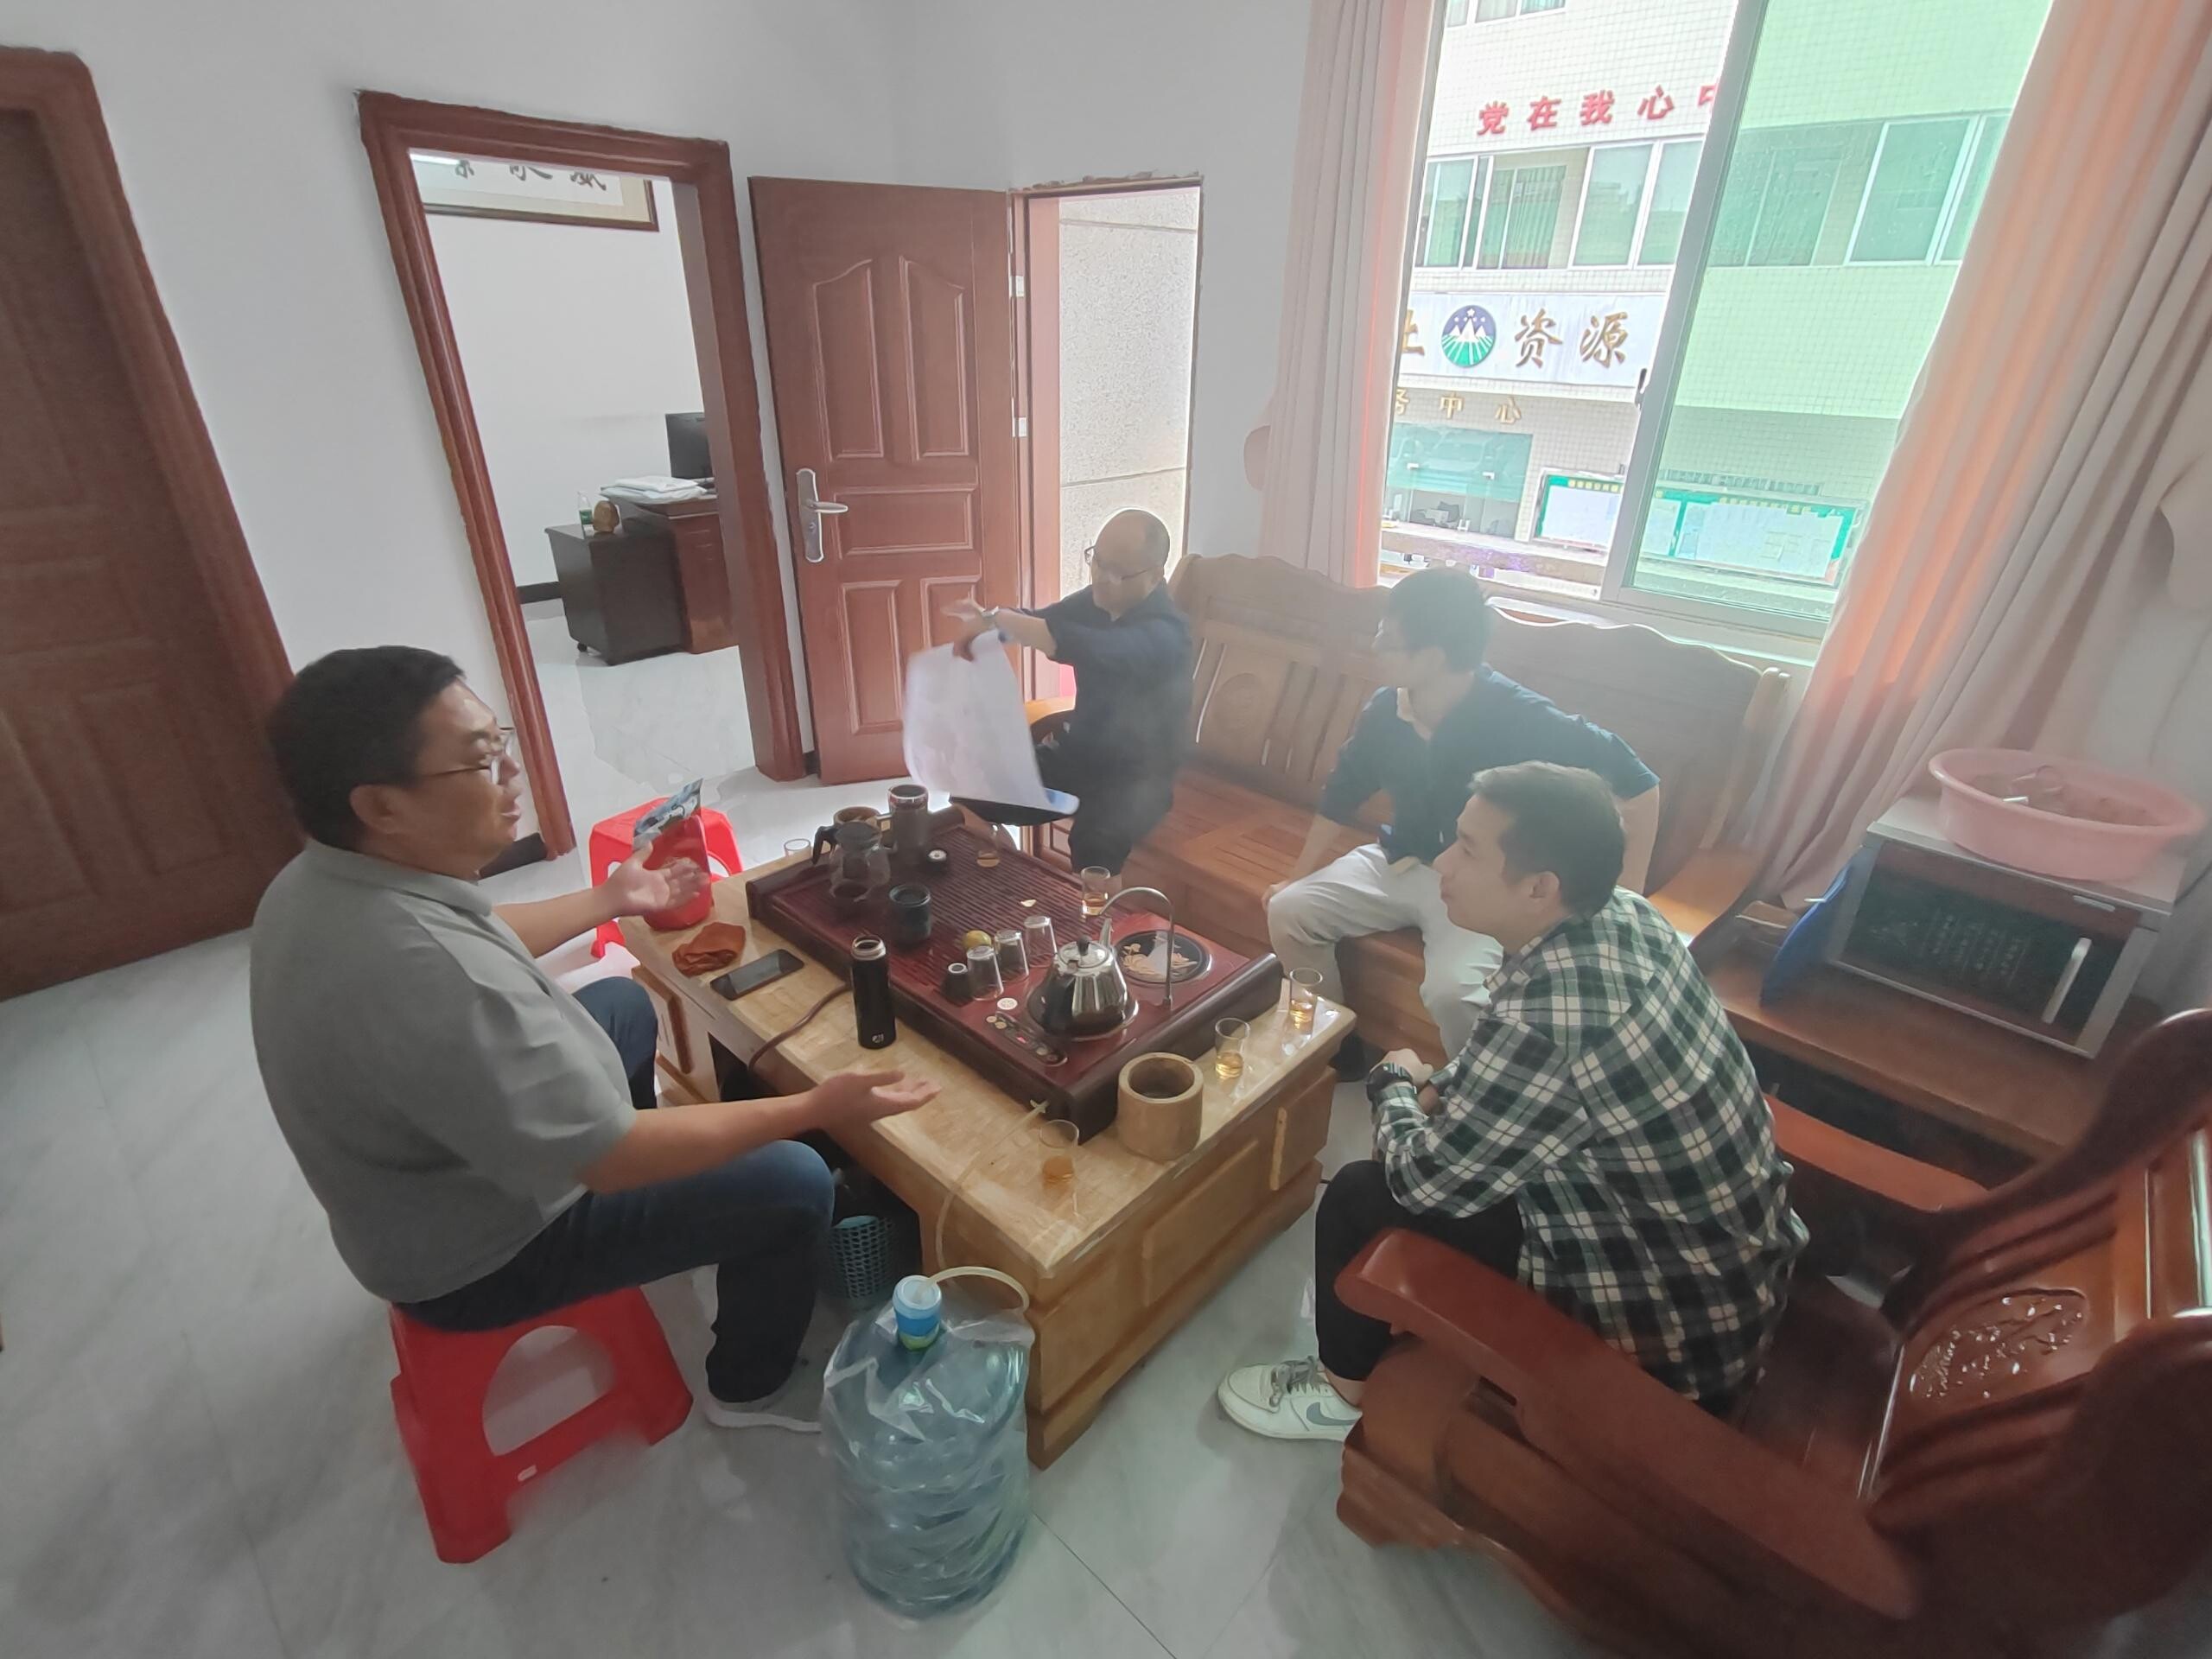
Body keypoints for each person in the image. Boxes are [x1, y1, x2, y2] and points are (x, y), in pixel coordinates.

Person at [250, 647, 938, 1430]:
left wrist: (610, 899)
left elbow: (482, 930)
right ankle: (750, 1384)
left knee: (621, 1005)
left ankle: (671, 1225)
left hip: (421, 1189)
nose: (513, 775)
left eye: (501, 742)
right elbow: (611, 1154)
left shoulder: (325, 880)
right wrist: (814, 1108)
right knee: (795, 1176)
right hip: (483, 1254)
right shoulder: (431, 973)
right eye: (480, 760)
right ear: (382, 806)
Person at [1219, 762, 1805, 1440]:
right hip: (1729, 1269)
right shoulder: (1627, 916)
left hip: (1664, 1325)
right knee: (1433, 1125)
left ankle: (1338, 1395)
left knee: (1359, 1195)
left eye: (1468, 849)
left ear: (1539, 886)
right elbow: (1513, 1070)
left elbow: (1421, 1182)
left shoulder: (1551, 1017)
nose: (1442, 861)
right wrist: (1438, 1090)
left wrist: (1394, 1083)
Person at [1266, 564, 1660, 1058]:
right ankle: (1334, 1051)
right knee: (1289, 910)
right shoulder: (1388, 709)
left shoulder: (1522, 717)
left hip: (1480, 884)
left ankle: (1469, 1088)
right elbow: (1343, 789)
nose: (1375, 648)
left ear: (1434, 656)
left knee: (1453, 992)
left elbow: (1639, 783)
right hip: (1399, 860)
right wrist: (1298, 875)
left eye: (1389, 641)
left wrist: (1623, 899)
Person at [946, 507, 1192, 873]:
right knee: (970, 787)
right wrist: (990, 625)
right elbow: (1044, 621)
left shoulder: (1167, 634)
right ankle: (1006, 880)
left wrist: (1000, 620)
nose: (1101, 578)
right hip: (1078, 756)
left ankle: (1097, 910)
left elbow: (1093, 648)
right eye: (1097, 561)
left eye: (1117, 572)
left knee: (1093, 844)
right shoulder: (1096, 601)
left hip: (1137, 778)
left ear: (1155, 576)